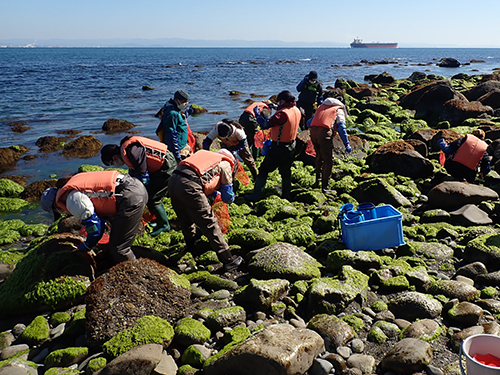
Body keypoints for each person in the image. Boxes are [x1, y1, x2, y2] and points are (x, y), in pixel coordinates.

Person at [40, 170, 148, 264]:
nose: (62, 213)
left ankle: (135, 271)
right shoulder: (73, 182)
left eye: (57, 212)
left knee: (119, 248)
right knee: (118, 239)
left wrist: (86, 246)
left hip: (129, 198)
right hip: (134, 185)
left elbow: (95, 227)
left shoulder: (72, 199)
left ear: (55, 205)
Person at [167, 149, 244, 272]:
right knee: (209, 223)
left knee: (185, 218)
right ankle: (228, 260)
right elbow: (228, 198)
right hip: (190, 184)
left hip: (173, 180)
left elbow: (205, 179)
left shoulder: (206, 156)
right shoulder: (225, 164)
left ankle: (191, 246)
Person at [100, 135, 176, 236]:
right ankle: (158, 220)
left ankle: (165, 225)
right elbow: (135, 170)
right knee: (149, 194)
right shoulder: (127, 151)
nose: (114, 164)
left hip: (166, 166)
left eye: (112, 162)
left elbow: (142, 172)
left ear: (114, 157)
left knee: (153, 198)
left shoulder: (131, 151)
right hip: (161, 165)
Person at [244, 90, 301, 202]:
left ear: (283, 101)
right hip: (292, 145)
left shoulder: (282, 114)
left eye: (279, 102)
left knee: (264, 169)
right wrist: (275, 107)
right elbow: (284, 113)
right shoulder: (296, 109)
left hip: (279, 147)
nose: (278, 104)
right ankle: (286, 194)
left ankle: (256, 195)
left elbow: (265, 125)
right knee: (286, 171)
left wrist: (256, 114)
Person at [307, 94, 352, 193]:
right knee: (328, 160)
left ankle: (317, 180)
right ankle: (325, 187)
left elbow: (309, 122)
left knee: (319, 155)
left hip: (313, 132)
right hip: (324, 134)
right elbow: (341, 127)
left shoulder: (322, 107)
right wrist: (347, 144)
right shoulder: (338, 109)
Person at [157, 89, 193, 164]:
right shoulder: (172, 114)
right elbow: (171, 134)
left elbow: (178, 122)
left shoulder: (174, 108)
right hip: (179, 148)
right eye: (183, 102)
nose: (185, 104)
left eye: (186, 102)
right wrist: (176, 153)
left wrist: (186, 115)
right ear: (177, 100)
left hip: (182, 144)